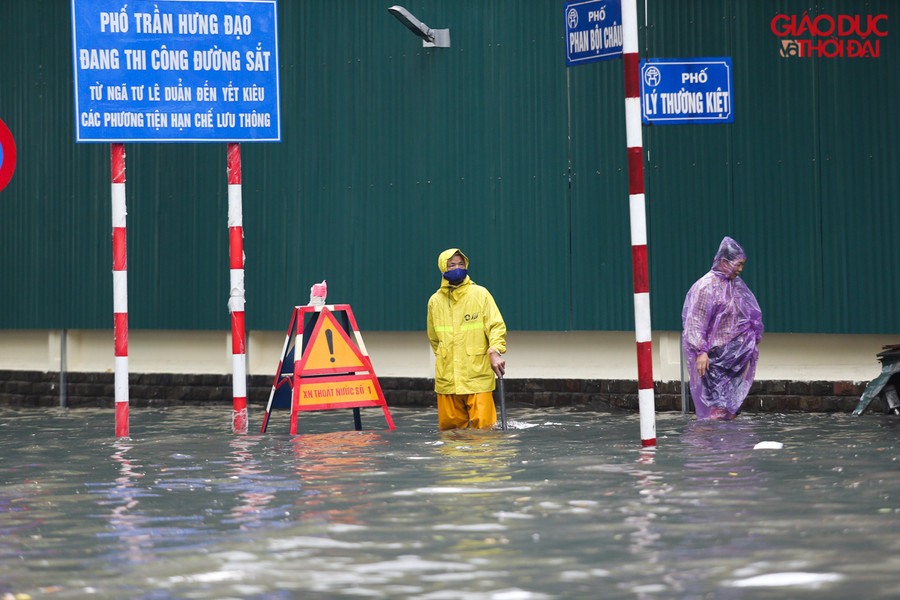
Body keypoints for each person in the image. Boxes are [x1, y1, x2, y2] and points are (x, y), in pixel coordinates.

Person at [682, 237, 764, 420]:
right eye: (738, 264)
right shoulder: (706, 287)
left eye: (743, 264)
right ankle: (711, 445)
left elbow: (745, 314)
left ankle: (728, 445)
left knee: (732, 408)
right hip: (714, 358)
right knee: (717, 409)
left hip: (734, 357)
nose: (741, 269)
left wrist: (750, 340)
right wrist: (701, 351)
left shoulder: (734, 284)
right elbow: (695, 321)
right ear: (725, 262)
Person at [426, 248, 507, 430]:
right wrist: (445, 357)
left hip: (476, 376)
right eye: (452, 264)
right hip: (448, 379)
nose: (457, 268)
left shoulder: (480, 294)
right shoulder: (435, 301)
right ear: (442, 268)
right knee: (451, 434)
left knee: (485, 432)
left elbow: (496, 326)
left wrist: (495, 351)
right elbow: (434, 339)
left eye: (461, 264)